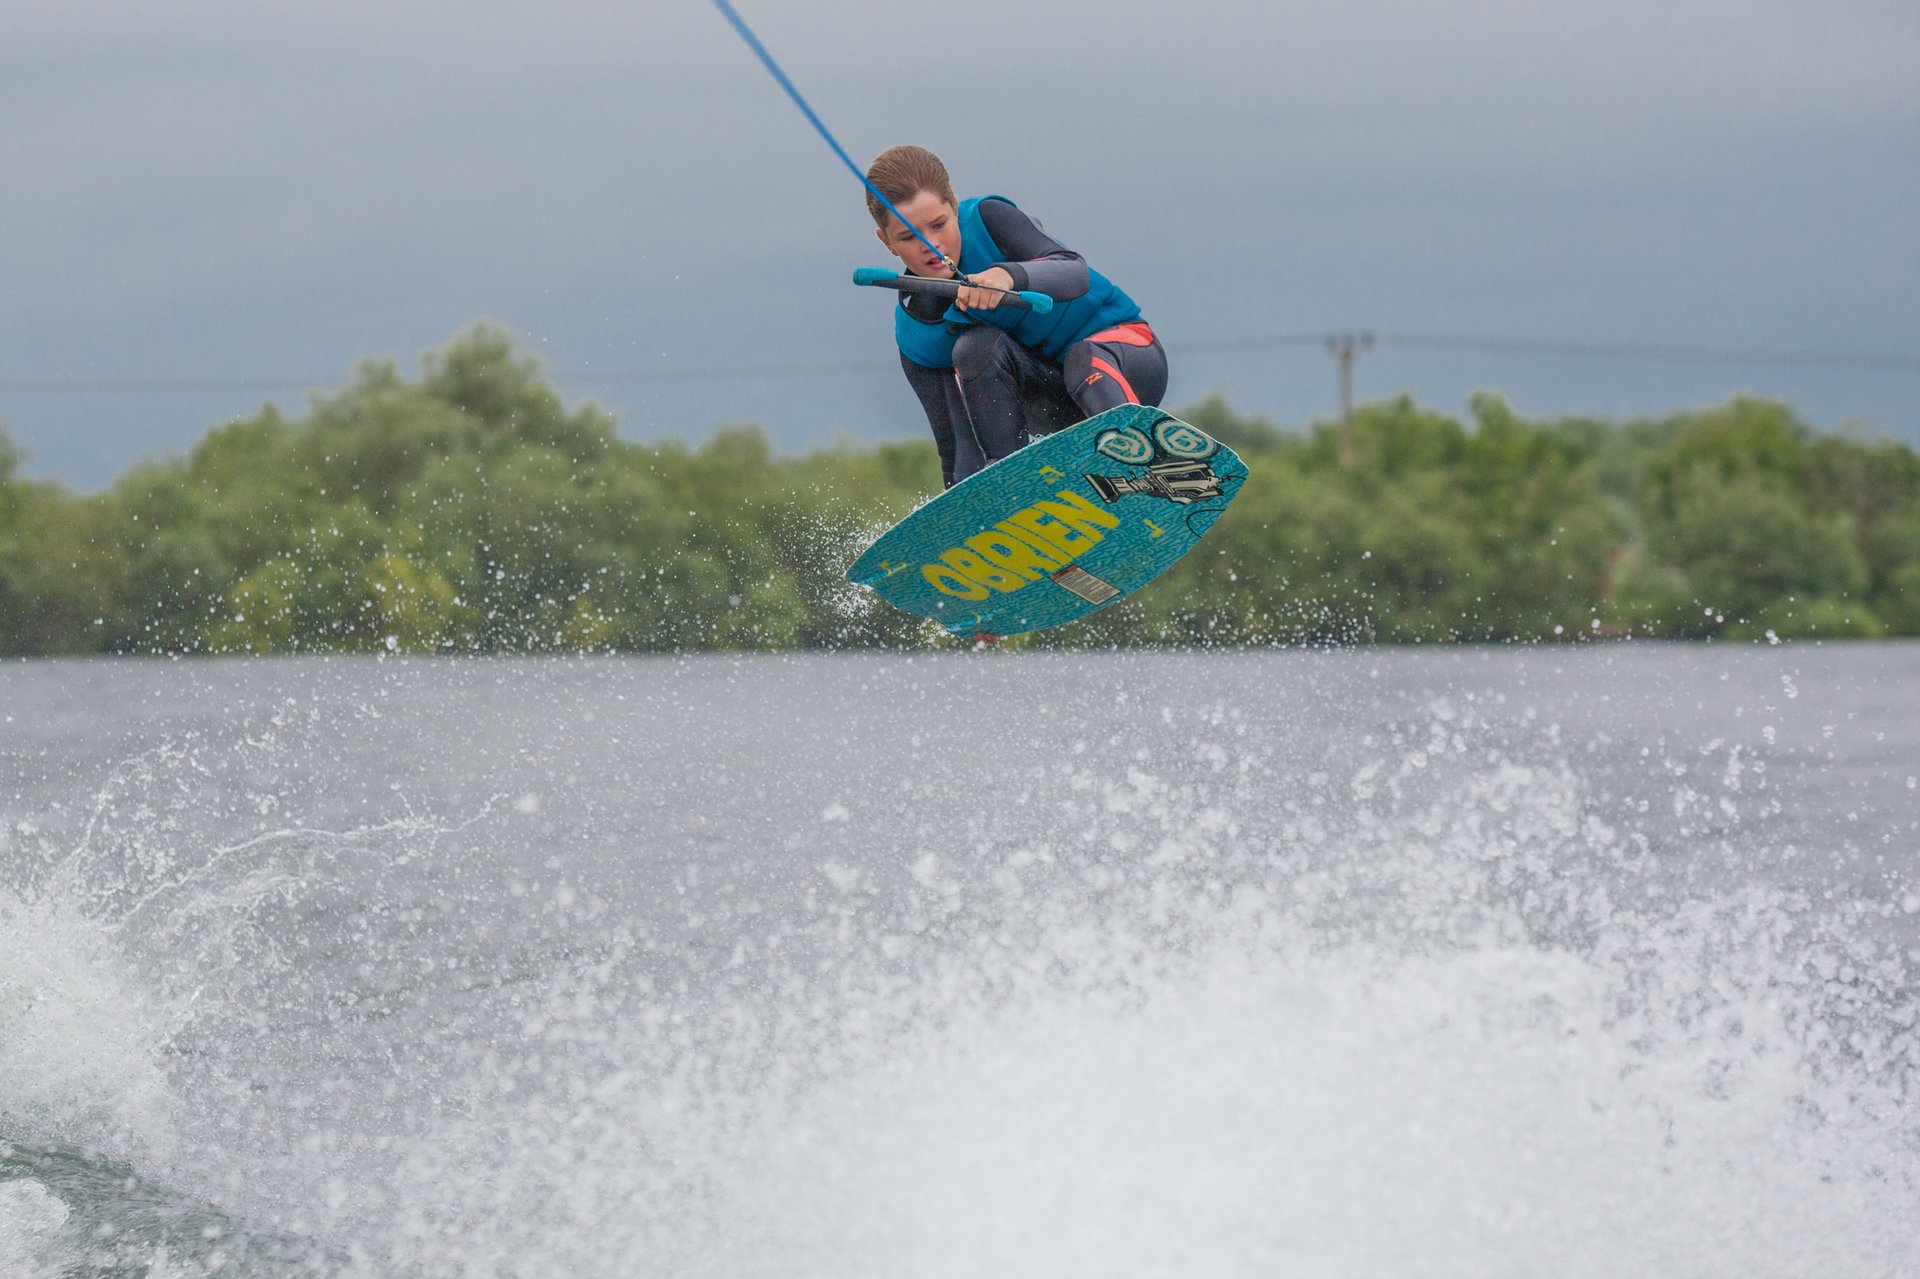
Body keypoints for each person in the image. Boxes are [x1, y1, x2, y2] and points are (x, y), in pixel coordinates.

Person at [865, 145, 1168, 488]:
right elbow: (955, 449)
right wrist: (965, 508)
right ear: (887, 242)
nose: (931, 245)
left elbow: (1073, 271)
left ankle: (1141, 462)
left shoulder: (989, 220)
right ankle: (1011, 488)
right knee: (974, 348)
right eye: (909, 237)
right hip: (1055, 403)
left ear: (954, 207)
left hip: (1125, 363)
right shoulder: (917, 333)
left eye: (939, 225)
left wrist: (1007, 277)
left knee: (1083, 358)